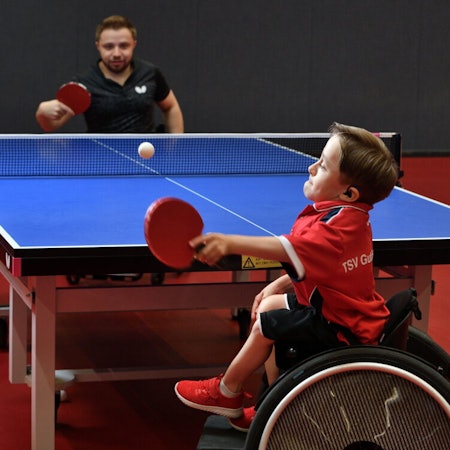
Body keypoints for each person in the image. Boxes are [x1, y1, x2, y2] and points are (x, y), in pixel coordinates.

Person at [174, 122, 399, 431]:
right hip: (346, 311)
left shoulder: (333, 231)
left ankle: (227, 391)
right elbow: (326, 268)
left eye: (323, 166)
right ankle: (272, 403)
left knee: (268, 324)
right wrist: (280, 283)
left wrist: (228, 242)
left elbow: (286, 247)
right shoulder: (349, 217)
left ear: (348, 192)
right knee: (269, 307)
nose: (311, 167)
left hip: (342, 327)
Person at [35, 15, 184, 134]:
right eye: (109, 47)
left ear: (134, 44)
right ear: (98, 46)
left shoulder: (149, 73)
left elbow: (170, 107)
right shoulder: (84, 83)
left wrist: (175, 147)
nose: (116, 53)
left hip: (145, 153)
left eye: (124, 46)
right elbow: (52, 125)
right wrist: (42, 113)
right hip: (102, 155)